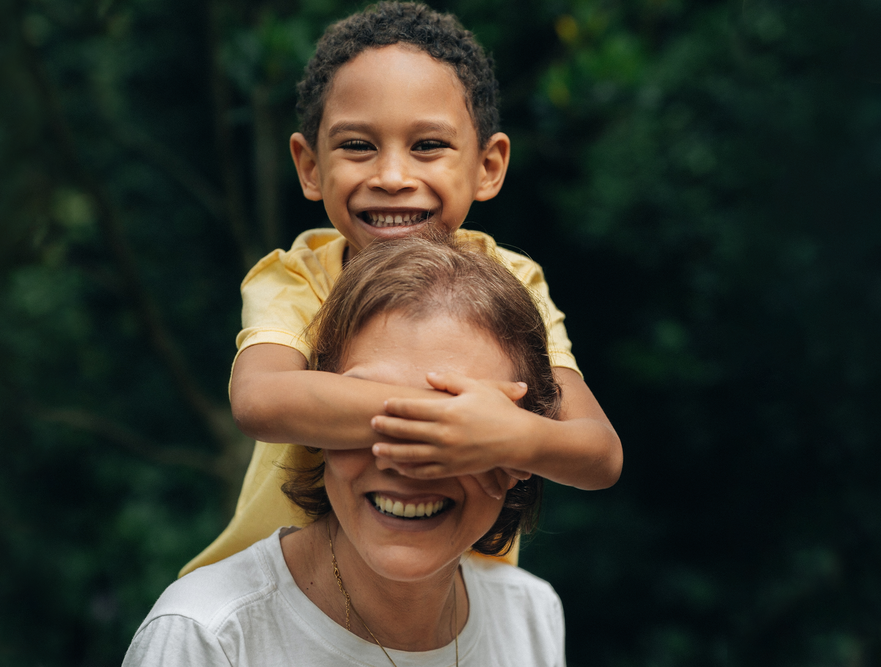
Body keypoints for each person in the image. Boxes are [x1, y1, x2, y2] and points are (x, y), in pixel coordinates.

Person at [180, 1, 622, 576]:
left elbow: (598, 452)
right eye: (358, 146)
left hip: (451, 607)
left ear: (488, 165)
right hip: (284, 603)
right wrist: (461, 420)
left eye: (428, 146)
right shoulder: (299, 275)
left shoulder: (515, 282)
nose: (391, 177)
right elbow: (262, 401)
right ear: (310, 165)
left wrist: (511, 432)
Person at [126, 235, 566, 666]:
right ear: (313, 425)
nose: (407, 461)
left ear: (522, 456)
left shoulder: (531, 617)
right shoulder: (208, 636)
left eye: (463, 427)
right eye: (364, 412)